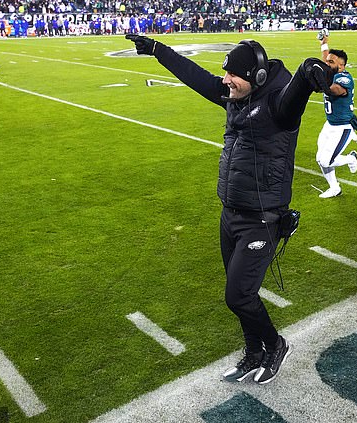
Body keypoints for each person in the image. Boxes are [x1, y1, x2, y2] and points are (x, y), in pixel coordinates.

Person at [125, 34, 334, 384]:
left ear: (258, 78)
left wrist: (310, 70)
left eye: (232, 76)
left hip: (262, 219)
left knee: (238, 296)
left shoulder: (279, 107)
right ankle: (254, 354)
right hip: (231, 214)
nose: (224, 81)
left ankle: (275, 344)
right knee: (242, 296)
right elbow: (196, 77)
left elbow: (296, 91)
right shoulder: (236, 97)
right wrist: (158, 50)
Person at [315, 29, 357, 198]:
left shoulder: (345, 79)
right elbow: (327, 57)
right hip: (329, 125)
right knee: (320, 158)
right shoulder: (332, 70)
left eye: (331, 62)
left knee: (327, 160)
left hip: (343, 127)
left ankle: (350, 158)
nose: (327, 64)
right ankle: (334, 187)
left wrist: (318, 81)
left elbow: (334, 90)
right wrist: (323, 43)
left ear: (341, 66)